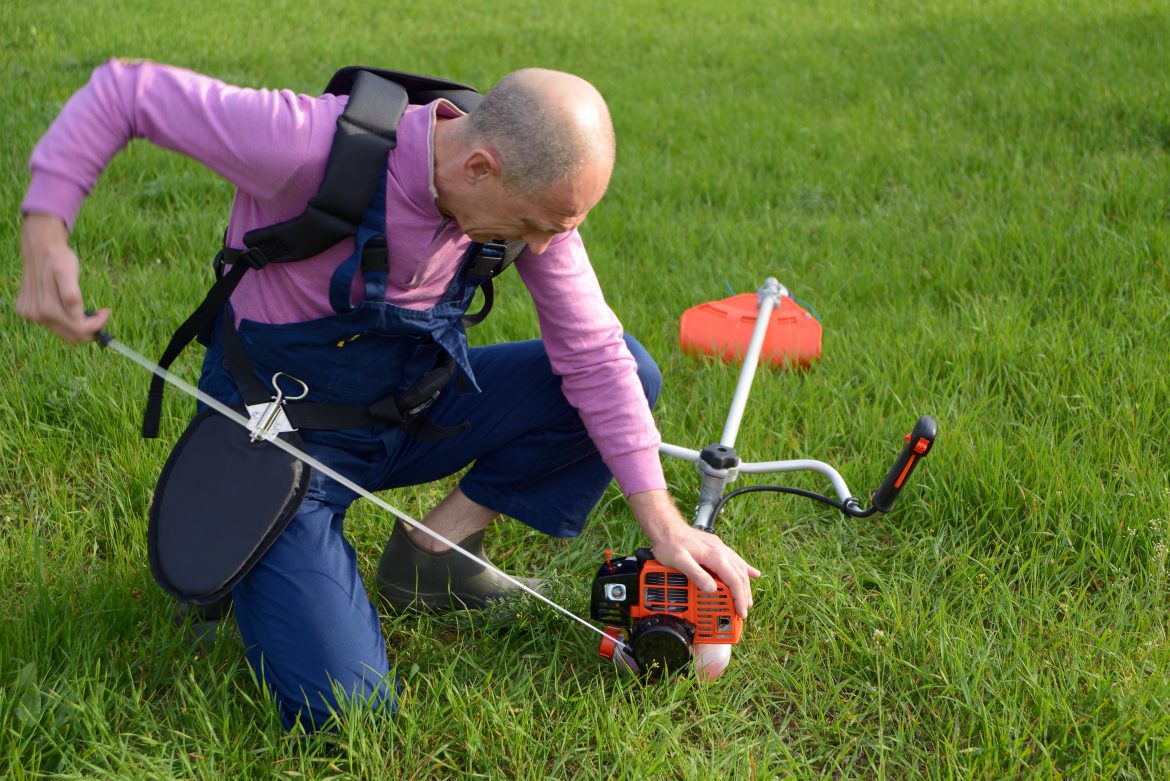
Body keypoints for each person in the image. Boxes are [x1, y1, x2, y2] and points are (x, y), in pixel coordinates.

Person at [17, 59, 761, 730]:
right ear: (480, 166)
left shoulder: (523, 197)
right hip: (276, 440)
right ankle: (247, 549)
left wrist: (665, 526)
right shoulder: (305, 144)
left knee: (631, 369)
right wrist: (45, 234)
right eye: (538, 225)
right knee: (349, 714)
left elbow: (594, 356)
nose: (542, 246)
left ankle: (431, 553)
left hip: (405, 413)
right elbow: (124, 92)